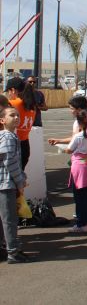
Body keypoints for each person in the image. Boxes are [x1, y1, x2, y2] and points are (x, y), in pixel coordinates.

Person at [0, 106, 31, 263]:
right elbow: (10, 161)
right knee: (9, 219)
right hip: (6, 184)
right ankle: (12, 252)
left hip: (6, 183)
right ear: (3, 120)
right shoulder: (8, 137)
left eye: (18, 115)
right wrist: (20, 181)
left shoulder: (9, 136)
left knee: (4, 219)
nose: (17, 118)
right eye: (12, 115)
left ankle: (7, 247)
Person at [65, 109, 87, 233]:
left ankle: (81, 223)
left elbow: (69, 149)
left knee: (79, 197)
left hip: (79, 166)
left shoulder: (78, 136)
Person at [5, 77, 36, 170]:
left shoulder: (13, 103)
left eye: (8, 91)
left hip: (13, 144)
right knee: (19, 176)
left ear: (13, 90)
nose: (8, 94)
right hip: (25, 145)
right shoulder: (32, 105)